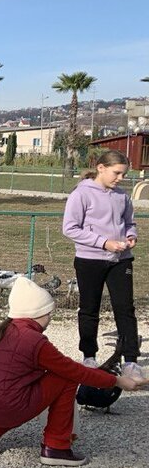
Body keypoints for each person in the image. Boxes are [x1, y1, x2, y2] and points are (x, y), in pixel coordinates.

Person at [0, 276, 140, 466]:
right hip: (8, 407)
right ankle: (56, 446)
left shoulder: (2, 332)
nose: (50, 319)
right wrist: (117, 381)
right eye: (48, 313)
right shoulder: (34, 341)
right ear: (37, 313)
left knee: (18, 386)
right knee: (66, 377)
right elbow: (74, 371)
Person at [62, 149, 139, 375]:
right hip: (89, 260)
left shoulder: (122, 196)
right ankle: (89, 357)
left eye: (124, 174)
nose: (120, 178)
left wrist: (131, 236)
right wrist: (104, 243)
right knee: (89, 309)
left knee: (125, 309)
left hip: (121, 260)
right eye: (117, 173)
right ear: (101, 168)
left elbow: (129, 223)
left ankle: (131, 361)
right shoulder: (81, 194)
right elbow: (70, 228)